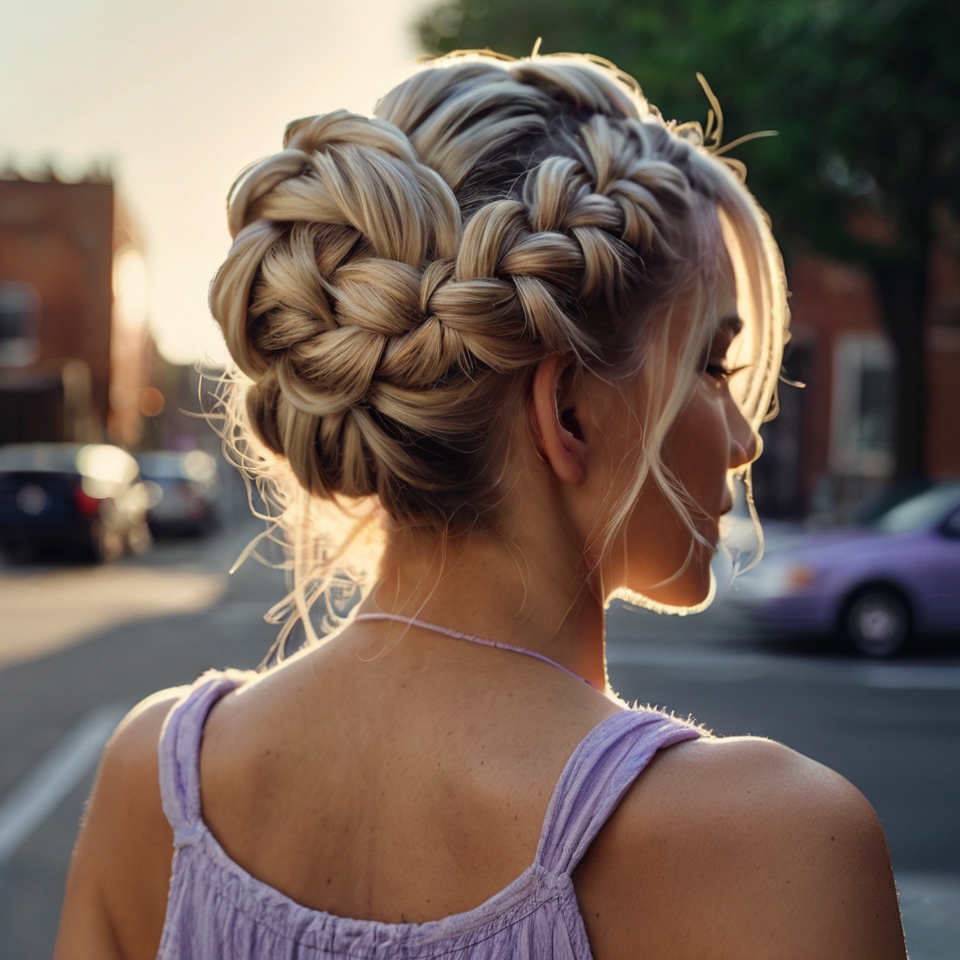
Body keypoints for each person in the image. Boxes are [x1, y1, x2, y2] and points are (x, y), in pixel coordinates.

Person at [54, 51, 907, 960]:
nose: (745, 435)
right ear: (569, 408)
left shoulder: (159, 784)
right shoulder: (777, 847)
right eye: (711, 364)